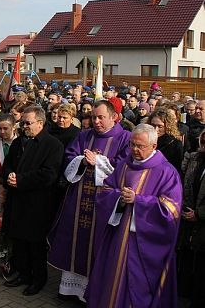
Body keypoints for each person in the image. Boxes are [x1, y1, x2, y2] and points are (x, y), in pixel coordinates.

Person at [85, 124, 182, 307]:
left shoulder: (167, 172)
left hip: (144, 244)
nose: (135, 150)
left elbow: (171, 210)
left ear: (154, 146)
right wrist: (119, 198)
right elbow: (105, 190)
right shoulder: (124, 165)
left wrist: (139, 201)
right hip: (118, 235)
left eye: (140, 146)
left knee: (137, 286)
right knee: (112, 278)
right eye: (132, 145)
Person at [48, 100, 131, 302]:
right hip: (78, 198)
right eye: (94, 117)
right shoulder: (84, 135)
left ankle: (92, 293)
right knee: (75, 240)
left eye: (101, 117)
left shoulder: (125, 138)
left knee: (98, 244)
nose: (96, 121)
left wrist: (99, 162)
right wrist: (82, 161)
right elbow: (69, 156)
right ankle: (70, 290)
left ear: (114, 117)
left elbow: (124, 167)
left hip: (105, 203)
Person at [2, 106, 64, 296]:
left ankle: (38, 279)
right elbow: (8, 165)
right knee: (19, 241)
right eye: (23, 123)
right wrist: (9, 176)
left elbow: (49, 174)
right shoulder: (18, 142)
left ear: (40, 123)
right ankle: (23, 273)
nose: (24, 126)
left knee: (35, 245)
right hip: (17, 200)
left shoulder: (53, 145)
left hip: (38, 204)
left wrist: (21, 180)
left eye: (28, 123)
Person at [181, 129, 205, 307]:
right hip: (189, 216)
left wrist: (199, 214)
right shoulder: (195, 158)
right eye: (202, 142)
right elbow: (187, 182)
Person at [148, 108, 183, 174]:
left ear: (167, 126)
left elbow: (176, 168)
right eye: (153, 125)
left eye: (160, 126)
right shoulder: (146, 140)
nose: (156, 129)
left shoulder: (175, 143)